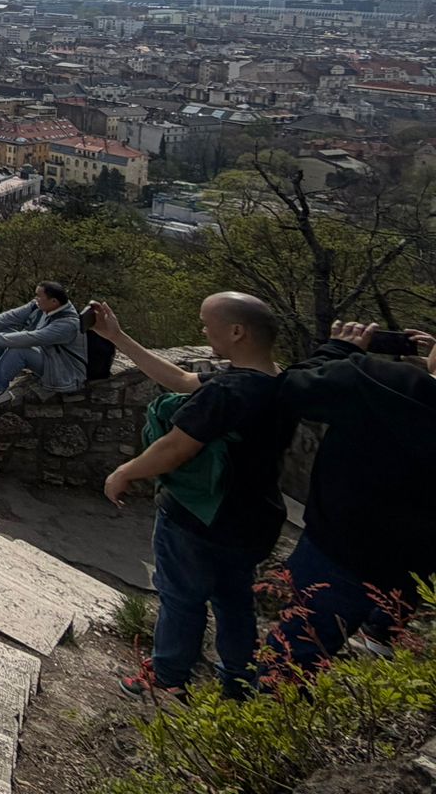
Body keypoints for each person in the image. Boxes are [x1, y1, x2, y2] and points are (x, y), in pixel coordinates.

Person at [93, 293, 296, 699]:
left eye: (207, 323)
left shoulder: (227, 395)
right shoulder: (281, 383)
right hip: (255, 517)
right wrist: (118, 337)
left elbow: (175, 448)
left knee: (182, 597)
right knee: (234, 600)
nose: (203, 330)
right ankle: (240, 682)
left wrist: (123, 472)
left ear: (237, 331)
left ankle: (168, 677)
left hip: (199, 515)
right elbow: (183, 381)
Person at [264, 321, 436, 675]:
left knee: (292, 657)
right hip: (410, 568)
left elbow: (291, 389)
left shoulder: (378, 380)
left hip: (335, 552)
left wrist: (340, 349)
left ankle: (254, 718)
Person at [0, 282, 88, 411]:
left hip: (64, 372)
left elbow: (32, 338)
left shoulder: (68, 324)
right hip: (48, 356)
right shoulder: (42, 306)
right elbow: (12, 316)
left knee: (19, 348)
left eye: (39, 296)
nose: (36, 299)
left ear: (54, 301)